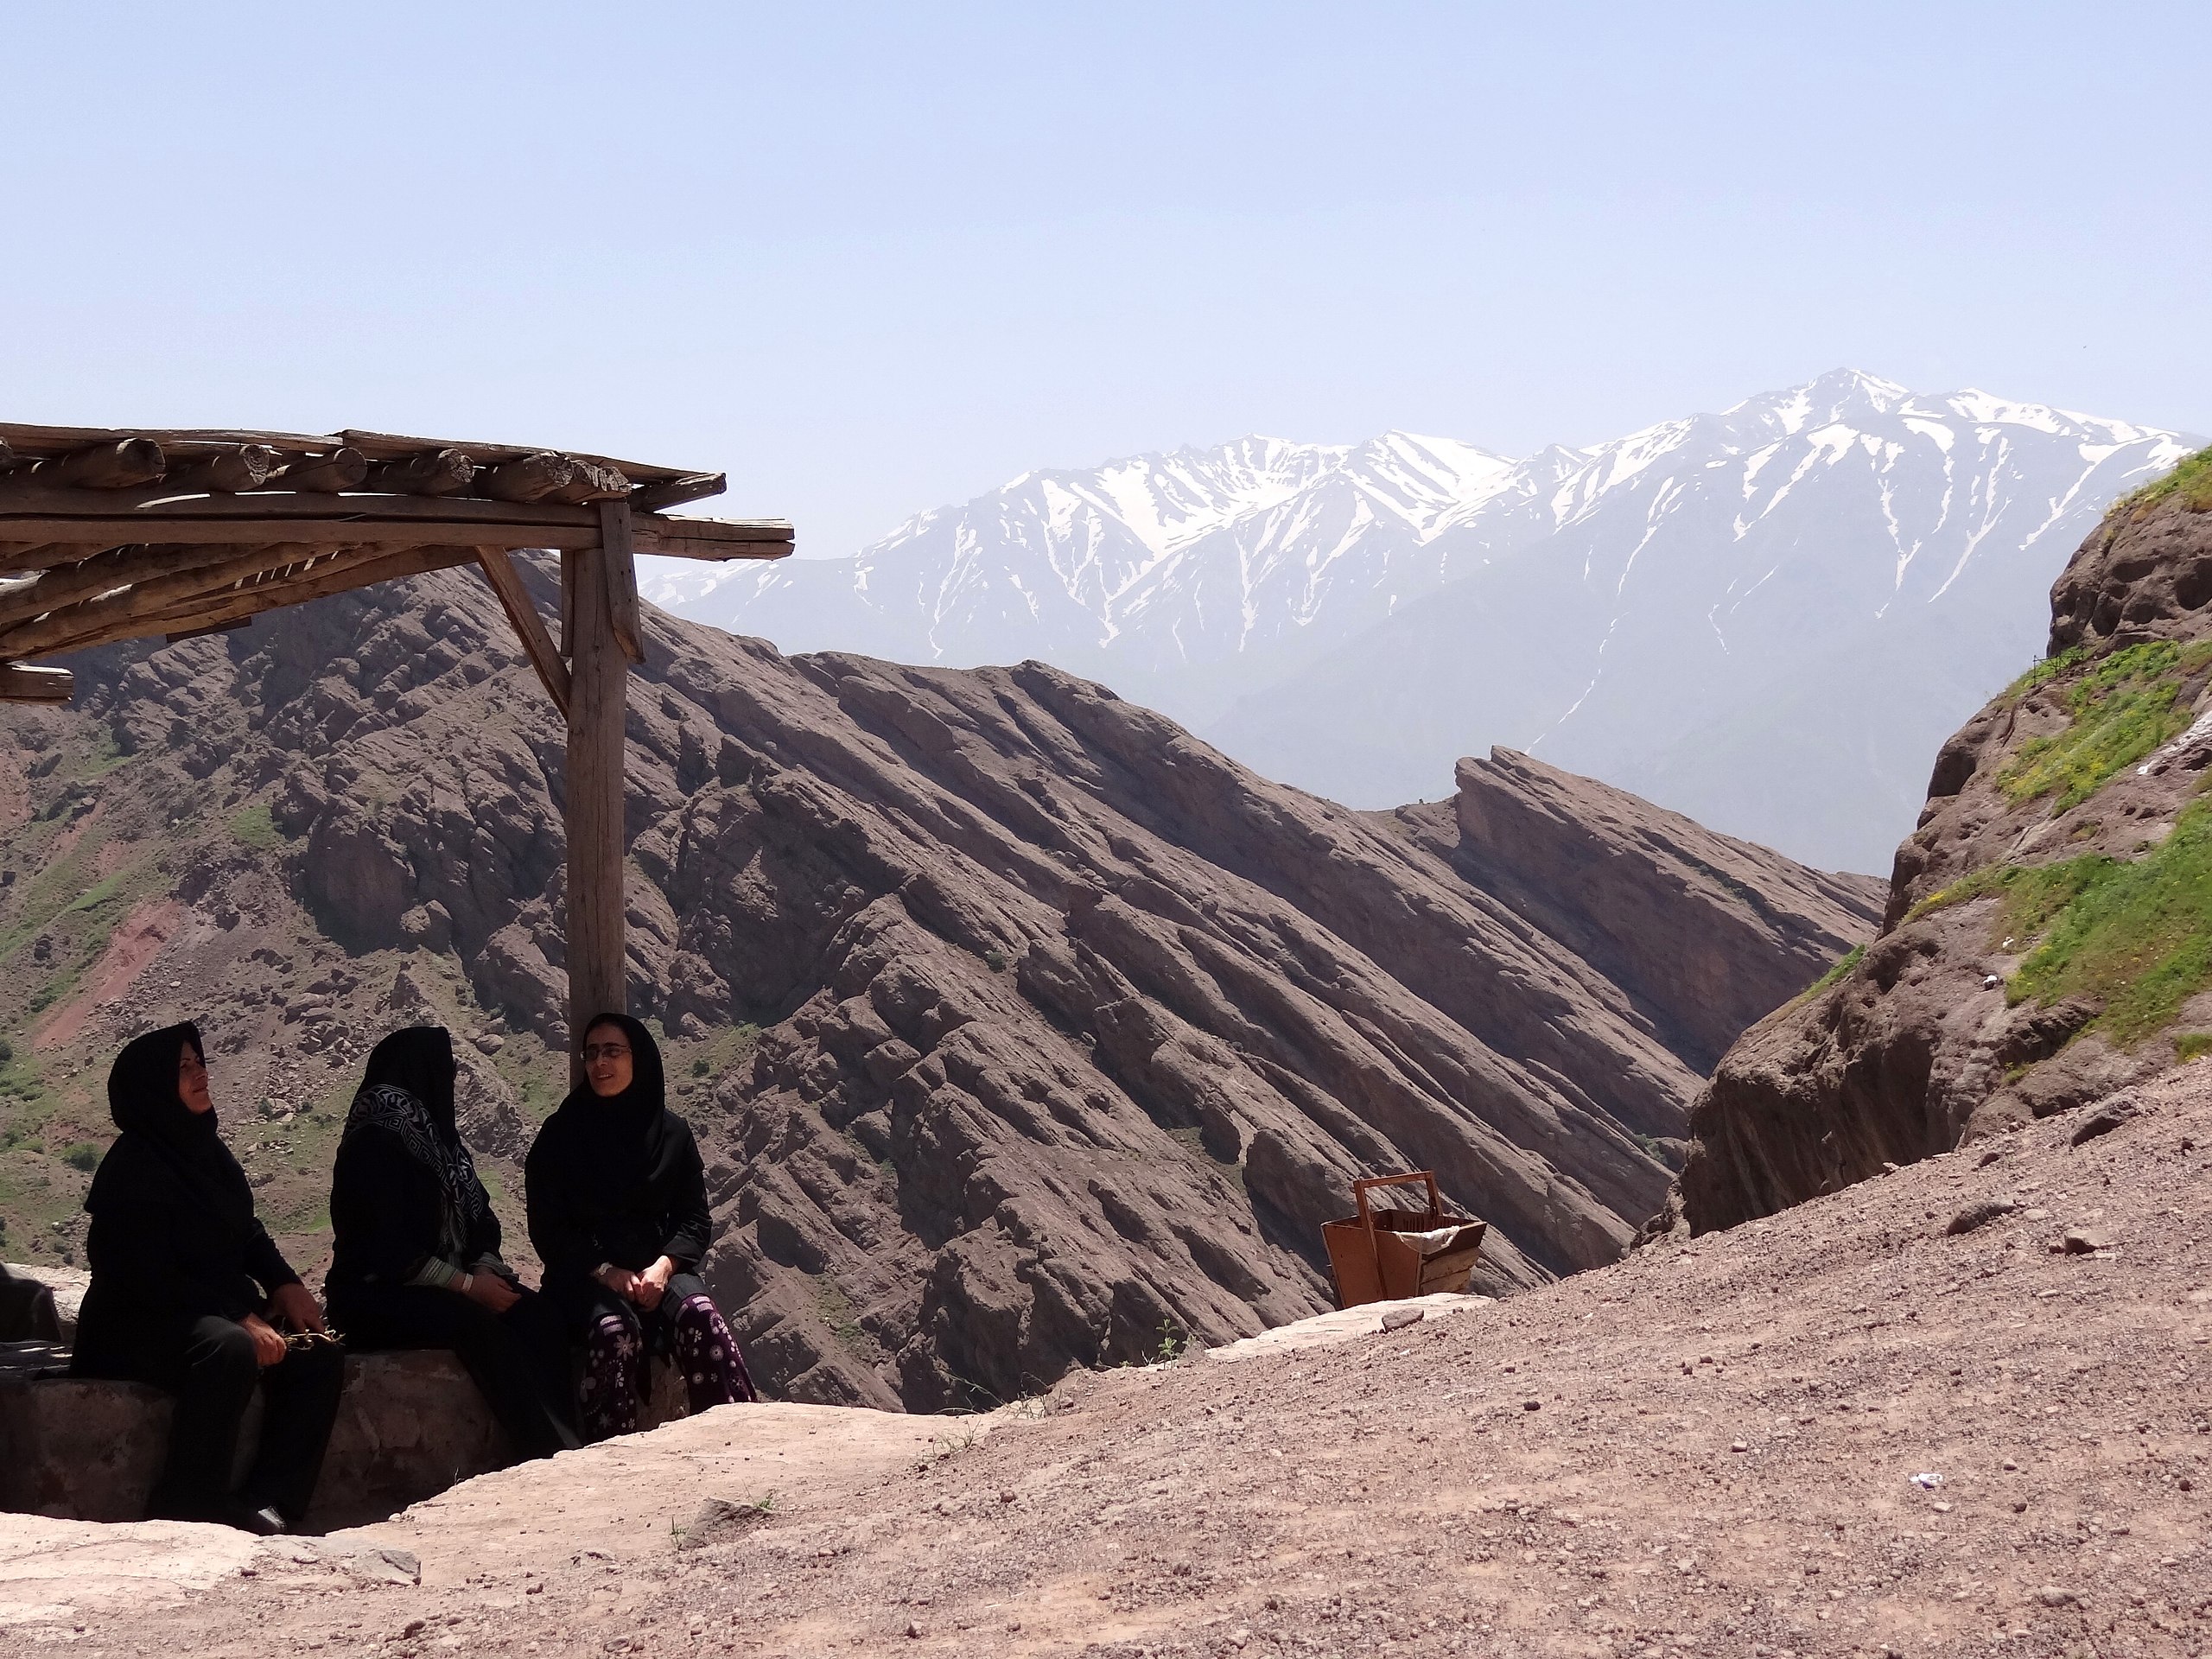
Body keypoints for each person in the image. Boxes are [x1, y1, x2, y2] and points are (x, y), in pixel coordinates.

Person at [72, 1023, 345, 1535]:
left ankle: (271, 1496)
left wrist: (285, 1284)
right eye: (184, 1068)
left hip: (204, 1310)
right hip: (137, 1323)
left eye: (199, 1062)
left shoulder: (207, 1152)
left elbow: (244, 1230)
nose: (200, 1075)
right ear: (155, 1085)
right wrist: (238, 1316)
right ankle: (190, 1502)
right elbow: (144, 1274)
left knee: (317, 1350)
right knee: (229, 1348)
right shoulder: (133, 1167)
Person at [326, 1027, 578, 1461]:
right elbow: (385, 1249)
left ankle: (570, 1439)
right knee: (477, 1325)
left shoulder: (441, 1146)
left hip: (454, 1282)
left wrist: (482, 1268)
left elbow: (482, 1220)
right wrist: (468, 1287)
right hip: (376, 1293)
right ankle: (544, 1451)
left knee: (539, 1319)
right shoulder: (374, 1147)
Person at [524, 1014, 755, 1440]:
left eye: (613, 1051)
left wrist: (664, 1267)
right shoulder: (560, 1137)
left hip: (656, 1268)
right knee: (614, 1332)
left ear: (639, 1058)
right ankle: (610, 1453)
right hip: (583, 1275)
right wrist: (605, 1271)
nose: (600, 1063)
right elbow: (547, 1228)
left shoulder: (672, 1134)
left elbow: (693, 1219)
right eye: (592, 1053)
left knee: (701, 1316)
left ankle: (737, 1440)